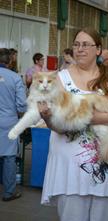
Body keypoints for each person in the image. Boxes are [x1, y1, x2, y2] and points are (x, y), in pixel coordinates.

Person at [38, 28, 108, 221]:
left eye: (86, 45)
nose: (80, 49)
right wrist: (48, 118)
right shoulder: (61, 78)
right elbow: (60, 124)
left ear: (98, 49)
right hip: (71, 169)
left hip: (107, 163)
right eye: (76, 44)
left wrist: (90, 117)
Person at [0, 48, 27, 201]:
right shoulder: (15, 78)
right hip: (8, 121)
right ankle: (9, 192)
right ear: (10, 61)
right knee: (9, 156)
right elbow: (22, 105)